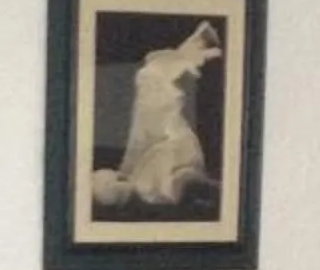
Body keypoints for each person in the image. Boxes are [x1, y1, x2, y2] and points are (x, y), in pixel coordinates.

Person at [95, 20, 224, 212]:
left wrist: (126, 171)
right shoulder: (152, 184)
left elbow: (139, 142)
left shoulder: (147, 177)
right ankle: (198, 47)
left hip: (163, 146)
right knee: (151, 81)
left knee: (151, 80)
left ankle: (197, 47)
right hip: (167, 149)